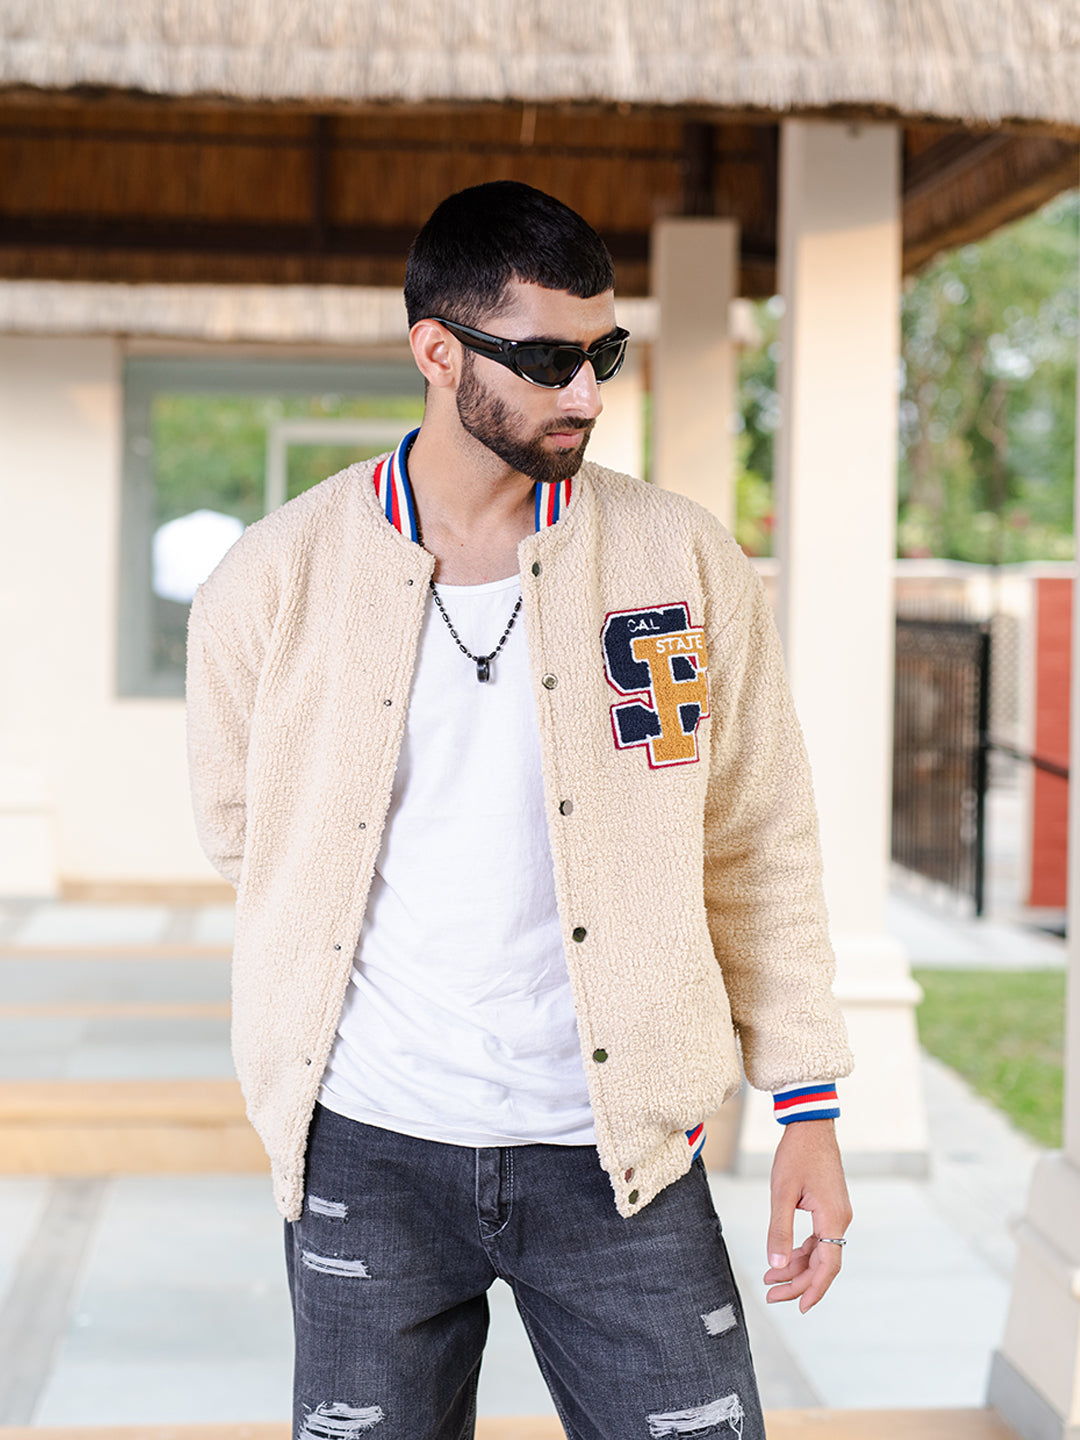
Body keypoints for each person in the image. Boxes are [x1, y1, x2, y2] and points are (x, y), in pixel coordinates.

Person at [187, 180, 853, 1440]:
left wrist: (807, 1106)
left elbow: (757, 837)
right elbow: (247, 832)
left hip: (626, 1151)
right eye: (548, 361)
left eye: (604, 354)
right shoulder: (272, 577)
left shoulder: (679, 560)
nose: (586, 394)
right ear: (437, 352)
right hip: (367, 1144)